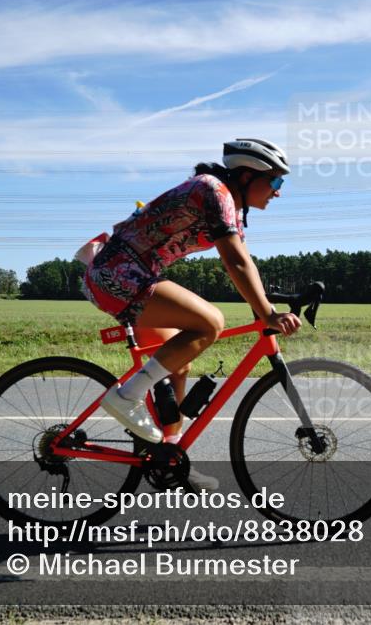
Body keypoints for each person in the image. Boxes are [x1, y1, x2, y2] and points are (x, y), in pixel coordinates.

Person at [79, 138, 302, 490]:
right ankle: (125, 398)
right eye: (275, 181)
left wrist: (268, 306)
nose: (278, 192)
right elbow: (236, 262)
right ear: (247, 176)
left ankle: (169, 457)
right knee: (210, 322)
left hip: (129, 273)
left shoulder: (230, 206)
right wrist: (268, 313)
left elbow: (245, 262)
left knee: (177, 364)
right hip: (118, 274)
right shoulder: (213, 191)